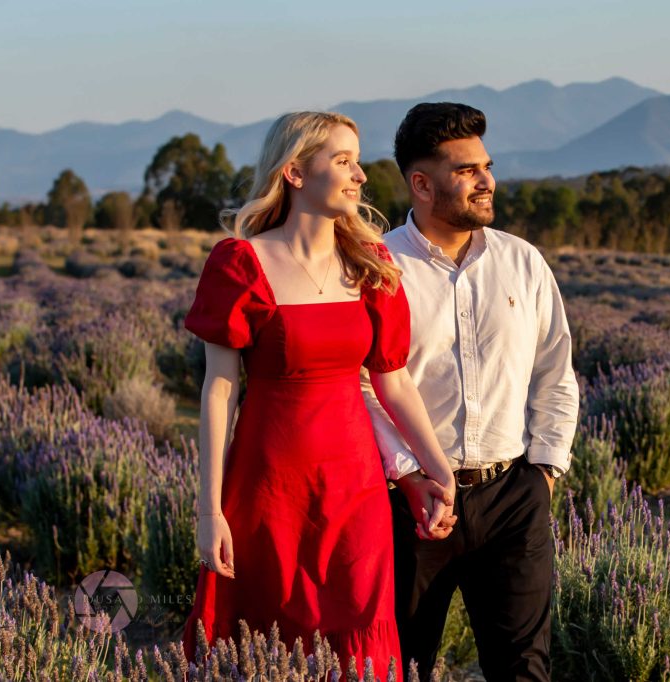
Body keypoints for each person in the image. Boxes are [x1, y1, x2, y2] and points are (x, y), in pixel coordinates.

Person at [180, 111, 456, 680]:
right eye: (342, 161)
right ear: (295, 173)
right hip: (267, 491)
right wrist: (210, 510)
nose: (360, 174)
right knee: (264, 642)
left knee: (358, 635)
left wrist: (437, 469)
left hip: (356, 493)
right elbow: (218, 392)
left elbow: (393, 380)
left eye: (357, 160)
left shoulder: (370, 264)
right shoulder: (242, 263)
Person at [361, 103, 579, 681]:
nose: (488, 181)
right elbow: (361, 384)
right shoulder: (379, 266)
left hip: (513, 496)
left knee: (524, 670)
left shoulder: (523, 262)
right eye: (468, 171)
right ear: (421, 184)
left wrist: (545, 472)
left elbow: (555, 372)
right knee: (399, 667)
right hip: (413, 506)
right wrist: (410, 476)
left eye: (486, 165)